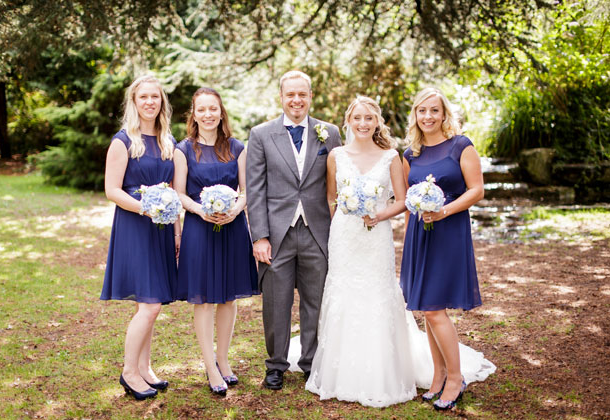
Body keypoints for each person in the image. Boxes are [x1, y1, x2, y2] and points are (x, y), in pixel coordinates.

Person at [287, 95, 496, 408]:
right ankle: (430, 375)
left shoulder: (394, 156)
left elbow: (403, 199)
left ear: (377, 122)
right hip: (347, 238)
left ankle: (443, 376)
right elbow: (332, 198)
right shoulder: (346, 156)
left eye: (369, 118)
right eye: (357, 118)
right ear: (347, 120)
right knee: (386, 301)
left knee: (405, 302)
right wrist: (345, 222)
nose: (362, 123)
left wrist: (379, 214)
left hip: (390, 235)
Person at [246, 70, 342, 390]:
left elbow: (338, 185)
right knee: (276, 301)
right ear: (281, 97)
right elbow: (256, 189)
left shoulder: (329, 132)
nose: (296, 100)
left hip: (318, 231)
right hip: (276, 233)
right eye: (290, 95)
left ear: (311, 96)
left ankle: (311, 364)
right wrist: (259, 236)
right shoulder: (261, 134)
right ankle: (276, 365)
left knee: (315, 300)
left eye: (302, 94)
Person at [400, 87, 486, 410]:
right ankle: (437, 377)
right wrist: (408, 247)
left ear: (444, 113)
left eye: (434, 110)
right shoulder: (411, 155)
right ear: (416, 115)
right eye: (422, 111)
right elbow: (409, 202)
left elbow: (477, 190)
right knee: (426, 307)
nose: (428, 117)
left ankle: (455, 377)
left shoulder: (460, 146)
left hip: (449, 232)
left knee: (435, 310)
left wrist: (444, 210)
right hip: (420, 237)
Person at [173, 87, 259, 397]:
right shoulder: (184, 149)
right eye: (202, 109)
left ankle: (223, 359)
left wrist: (235, 210)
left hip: (233, 228)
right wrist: (201, 210)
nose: (208, 114)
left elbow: (248, 190)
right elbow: (179, 192)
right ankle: (209, 366)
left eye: (213, 109)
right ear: (193, 115)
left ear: (221, 112)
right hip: (199, 228)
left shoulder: (237, 147)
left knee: (228, 297)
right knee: (204, 298)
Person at [101, 75, 179, 400]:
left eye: (155, 97)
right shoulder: (123, 141)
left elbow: (173, 190)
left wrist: (176, 230)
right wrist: (145, 209)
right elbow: (112, 190)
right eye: (143, 97)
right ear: (134, 102)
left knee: (152, 302)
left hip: (162, 229)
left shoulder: (166, 140)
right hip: (136, 226)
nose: (150, 102)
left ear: (162, 103)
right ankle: (129, 372)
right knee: (149, 306)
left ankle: (145, 369)